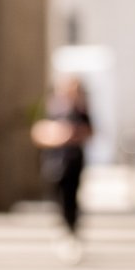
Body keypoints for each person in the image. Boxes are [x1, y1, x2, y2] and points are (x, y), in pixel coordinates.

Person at [32, 75, 94, 254]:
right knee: (56, 195)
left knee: (71, 196)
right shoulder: (51, 107)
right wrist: (56, 135)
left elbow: (90, 131)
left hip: (73, 160)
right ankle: (62, 227)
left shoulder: (80, 109)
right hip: (53, 159)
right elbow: (38, 131)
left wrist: (72, 134)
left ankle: (72, 230)